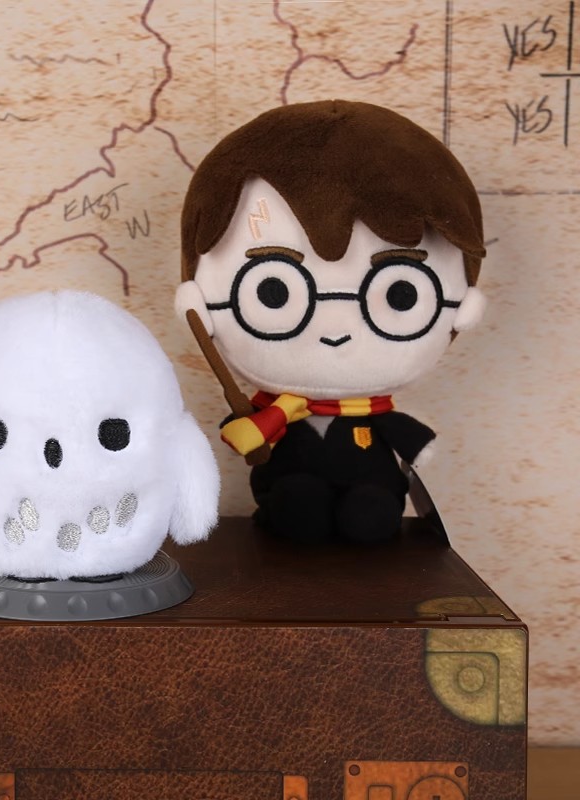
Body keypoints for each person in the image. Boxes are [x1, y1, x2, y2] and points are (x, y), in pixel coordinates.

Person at [176, 100, 487, 543]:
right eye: (273, 290)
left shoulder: (369, 416)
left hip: (373, 492)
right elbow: (242, 439)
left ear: (464, 307)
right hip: (286, 495)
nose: (335, 329)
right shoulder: (274, 412)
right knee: (297, 501)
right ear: (198, 303)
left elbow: (415, 443)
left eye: (400, 292)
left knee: (371, 510)